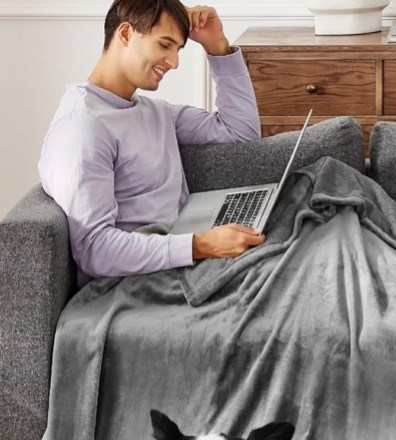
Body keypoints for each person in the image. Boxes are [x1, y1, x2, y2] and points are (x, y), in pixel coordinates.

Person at [38, 0, 265, 288]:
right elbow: (95, 249)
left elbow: (240, 134)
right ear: (125, 34)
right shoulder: (82, 126)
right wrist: (200, 245)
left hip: (182, 261)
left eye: (178, 49)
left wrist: (216, 45)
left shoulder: (156, 113)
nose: (174, 62)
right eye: (164, 45)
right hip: (134, 285)